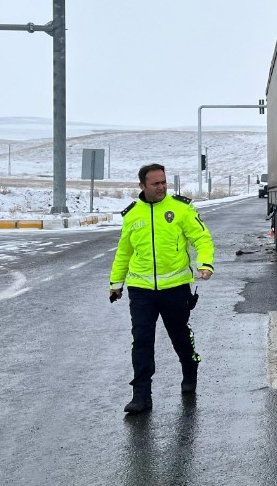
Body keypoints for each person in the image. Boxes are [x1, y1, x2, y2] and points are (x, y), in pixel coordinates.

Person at [109, 163, 215, 414]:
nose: (161, 187)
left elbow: (201, 238)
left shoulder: (180, 209)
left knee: (179, 335)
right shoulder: (132, 214)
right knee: (142, 340)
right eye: (155, 183)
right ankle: (141, 396)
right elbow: (124, 252)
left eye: (164, 182)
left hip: (175, 288)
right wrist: (116, 284)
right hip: (141, 290)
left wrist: (205, 264)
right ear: (142, 186)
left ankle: (190, 369)